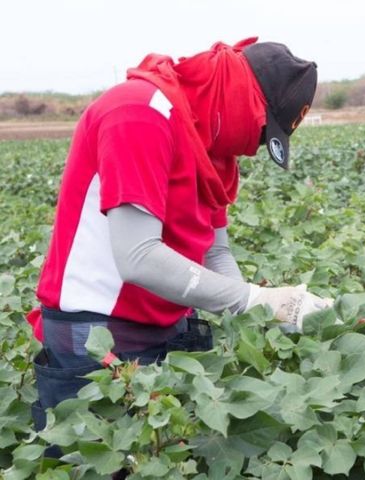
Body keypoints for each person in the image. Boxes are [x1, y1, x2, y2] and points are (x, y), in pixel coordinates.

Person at [26, 38, 332, 444]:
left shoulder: (213, 143)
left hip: (165, 327)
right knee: (102, 462)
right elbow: (138, 257)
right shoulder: (138, 113)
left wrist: (268, 314)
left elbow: (215, 251)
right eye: (263, 133)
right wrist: (254, 300)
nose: (256, 149)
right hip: (95, 334)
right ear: (245, 101)